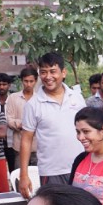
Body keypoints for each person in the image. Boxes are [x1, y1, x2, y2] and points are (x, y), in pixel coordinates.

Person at [19, 53, 85, 197]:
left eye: (52, 71)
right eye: (43, 72)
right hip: (51, 172)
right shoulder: (33, 105)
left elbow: (87, 131)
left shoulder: (77, 98)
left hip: (81, 169)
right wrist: (23, 175)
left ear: (63, 72)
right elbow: (26, 140)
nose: (48, 77)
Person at [3, 67, 36, 174]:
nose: (28, 84)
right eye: (26, 81)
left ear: (35, 81)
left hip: (38, 146)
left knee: (39, 178)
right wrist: (22, 124)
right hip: (19, 147)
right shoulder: (13, 97)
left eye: (31, 81)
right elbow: (9, 119)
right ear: (22, 81)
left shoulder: (40, 98)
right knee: (19, 176)